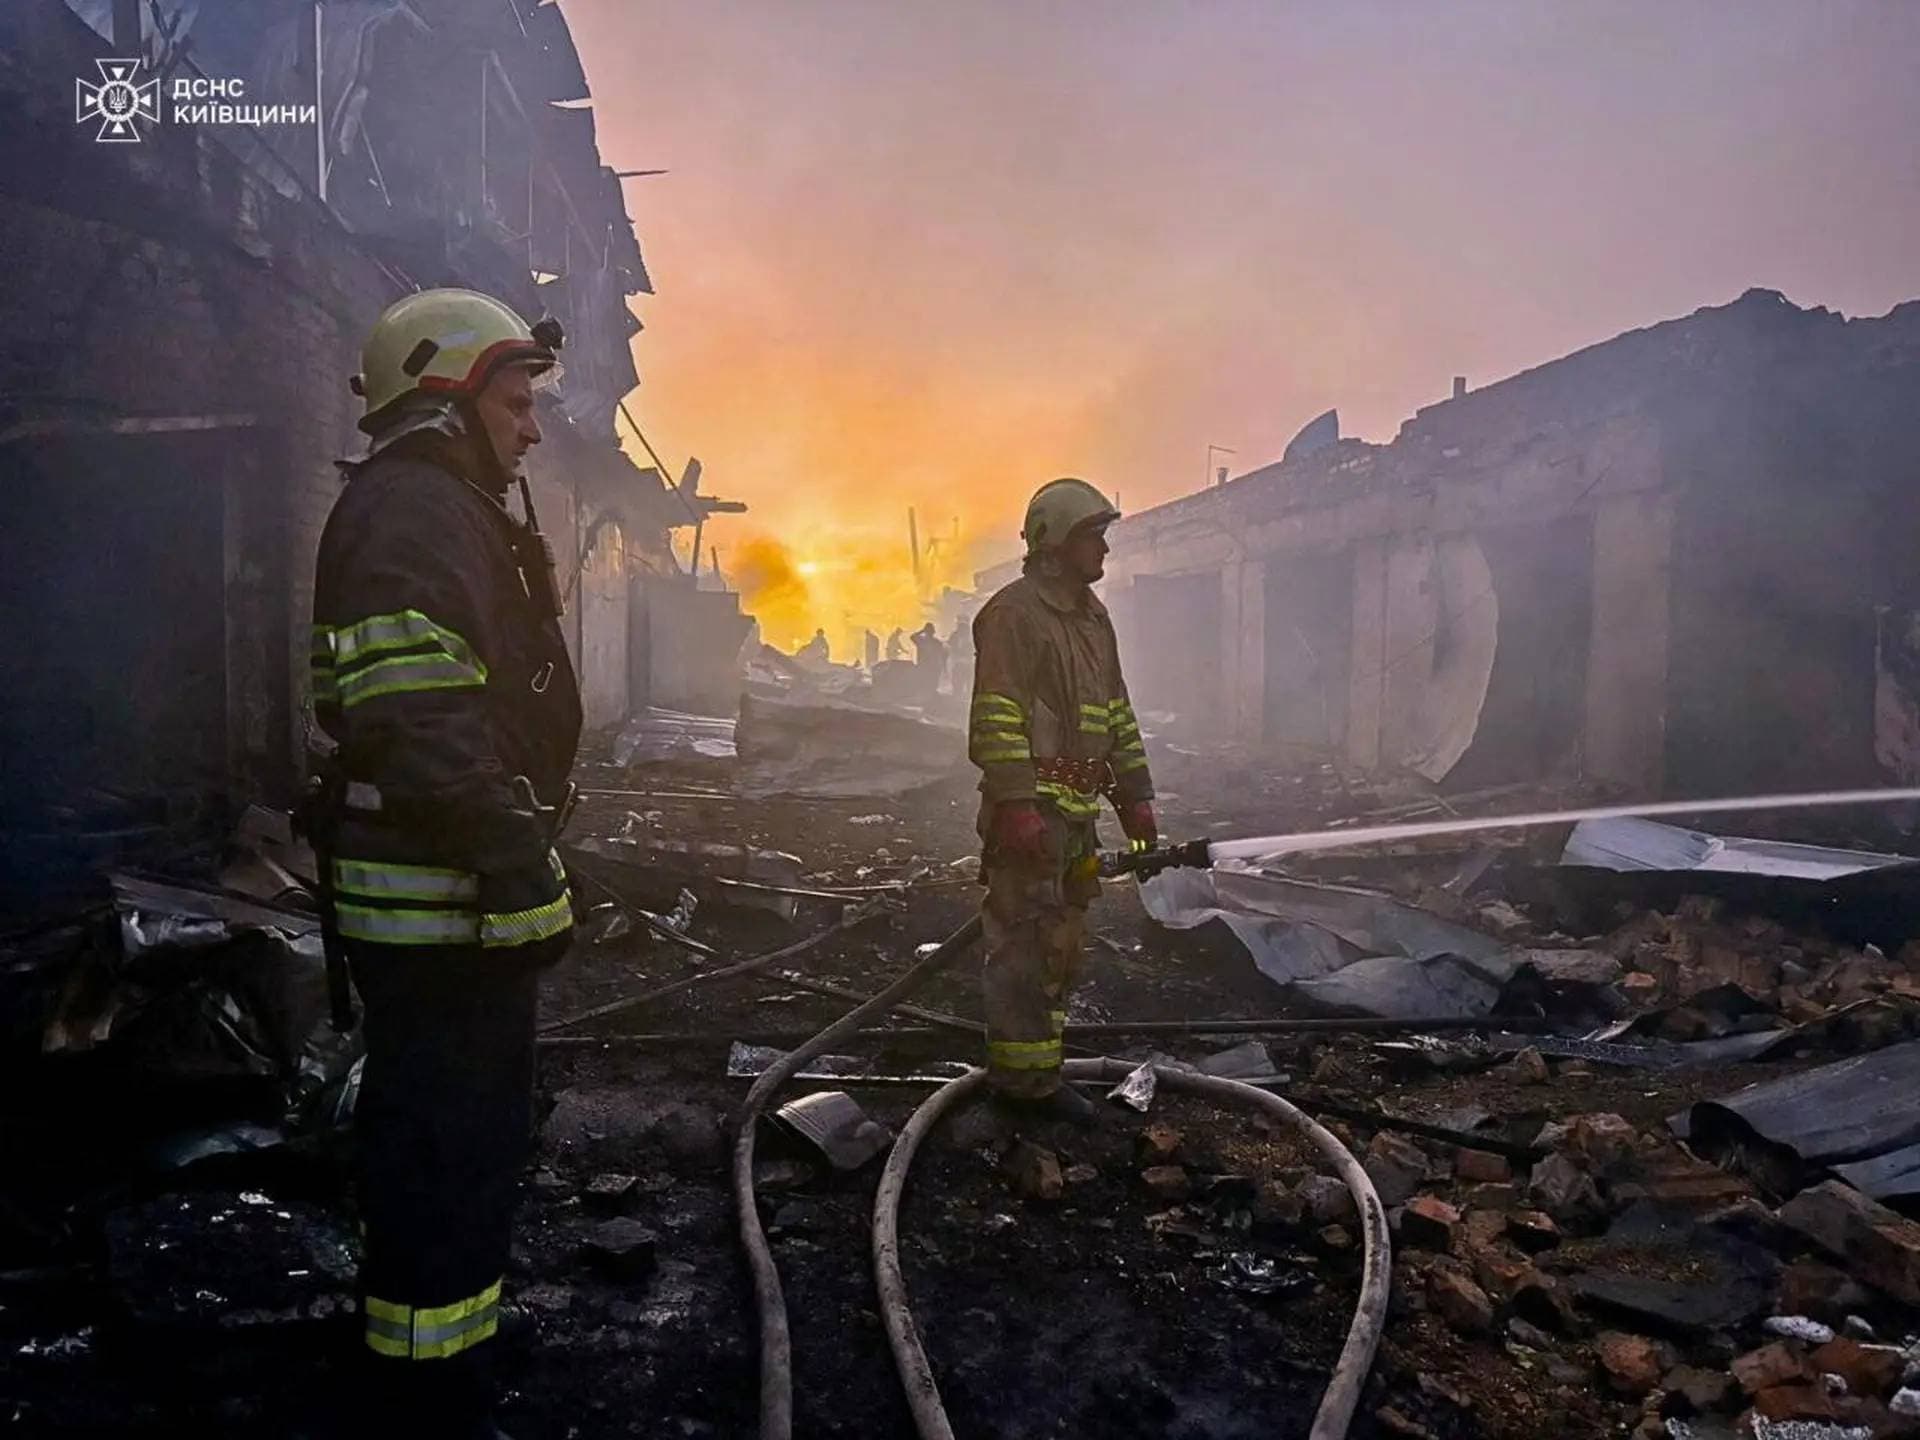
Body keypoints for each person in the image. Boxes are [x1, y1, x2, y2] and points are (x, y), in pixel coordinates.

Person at [309, 288, 582, 1437]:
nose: (530, 428)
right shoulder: (416, 514)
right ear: (447, 395)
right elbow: (419, 721)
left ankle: (451, 1339)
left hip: (452, 900)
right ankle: (428, 1386)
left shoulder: (444, 509)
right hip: (438, 908)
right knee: (441, 1147)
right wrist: (520, 863)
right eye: (516, 402)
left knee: (466, 1141)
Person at [966, 478, 1154, 1121]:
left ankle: (1039, 1073)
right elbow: (996, 719)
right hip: (1032, 818)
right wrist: (1017, 806)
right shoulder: (1013, 616)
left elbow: (1118, 715)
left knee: (1063, 944)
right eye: (1093, 536)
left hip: (1077, 818)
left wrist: (1136, 799)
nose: (1104, 549)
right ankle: (1020, 1092)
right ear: (1055, 543)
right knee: (1023, 945)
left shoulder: (1094, 619)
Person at [911, 621, 948, 697]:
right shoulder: (934, 642)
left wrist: (922, 630)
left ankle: (928, 697)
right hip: (931, 666)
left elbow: (912, 636)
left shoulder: (922, 641)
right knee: (930, 684)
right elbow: (943, 655)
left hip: (926, 666)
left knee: (926, 684)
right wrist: (943, 667)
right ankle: (930, 697)